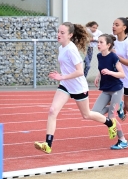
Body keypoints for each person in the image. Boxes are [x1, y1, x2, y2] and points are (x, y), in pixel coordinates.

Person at [34, 22, 117, 154]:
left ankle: (110, 123)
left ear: (70, 35)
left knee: (86, 115)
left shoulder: (71, 50)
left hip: (78, 87)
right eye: (58, 32)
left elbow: (80, 71)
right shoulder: (62, 47)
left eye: (62, 33)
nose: (58, 35)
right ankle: (47, 144)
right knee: (52, 111)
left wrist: (62, 77)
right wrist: (62, 77)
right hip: (66, 85)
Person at [92, 34, 128, 150]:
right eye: (98, 42)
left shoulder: (113, 57)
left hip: (116, 89)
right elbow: (101, 68)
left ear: (108, 45)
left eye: (101, 42)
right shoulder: (99, 56)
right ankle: (119, 107)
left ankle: (122, 140)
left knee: (112, 117)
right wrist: (98, 76)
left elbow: (122, 74)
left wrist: (110, 72)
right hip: (106, 89)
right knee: (94, 113)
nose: (98, 44)